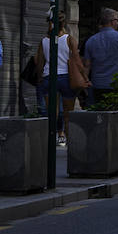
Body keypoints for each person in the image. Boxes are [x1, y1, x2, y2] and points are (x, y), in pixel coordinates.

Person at [34, 11, 80, 140]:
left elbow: (39, 62)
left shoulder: (43, 41)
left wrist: (39, 78)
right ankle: (68, 139)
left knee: (51, 113)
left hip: (48, 77)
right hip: (66, 77)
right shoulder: (70, 39)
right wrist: (84, 77)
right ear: (63, 23)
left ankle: (51, 139)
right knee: (68, 114)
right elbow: (76, 59)